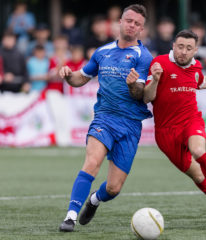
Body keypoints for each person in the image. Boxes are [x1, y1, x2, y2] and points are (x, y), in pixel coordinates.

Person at [58, 4, 152, 232]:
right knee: (91, 162)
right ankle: (70, 216)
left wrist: (133, 85)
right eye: (129, 20)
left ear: (141, 29)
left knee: (113, 188)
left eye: (137, 23)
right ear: (119, 22)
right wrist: (69, 76)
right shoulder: (102, 52)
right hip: (104, 118)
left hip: (130, 124)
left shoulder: (144, 56)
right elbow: (82, 77)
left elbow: (141, 95)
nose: (132, 25)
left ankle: (94, 201)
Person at [144, 30, 206, 224]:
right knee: (197, 174)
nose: (183, 52)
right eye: (180, 47)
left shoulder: (195, 66)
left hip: (191, 120)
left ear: (195, 50)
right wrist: (155, 80)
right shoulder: (160, 64)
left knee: (198, 150)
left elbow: (202, 81)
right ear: (173, 45)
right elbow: (147, 97)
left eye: (189, 48)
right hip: (166, 133)